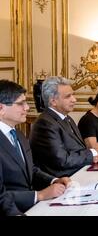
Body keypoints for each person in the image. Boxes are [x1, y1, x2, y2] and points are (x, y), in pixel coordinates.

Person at [0, 80, 71, 213]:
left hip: (31, 206)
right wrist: (40, 195)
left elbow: (30, 170)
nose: (27, 107)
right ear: (1, 108)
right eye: (21, 103)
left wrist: (54, 180)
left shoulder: (18, 134)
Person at [30, 77, 98, 177]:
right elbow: (62, 160)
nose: (74, 99)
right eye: (68, 96)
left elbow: (78, 149)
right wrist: (91, 154)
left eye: (73, 95)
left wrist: (92, 155)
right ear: (53, 101)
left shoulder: (67, 118)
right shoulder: (45, 123)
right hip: (62, 181)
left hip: (79, 172)